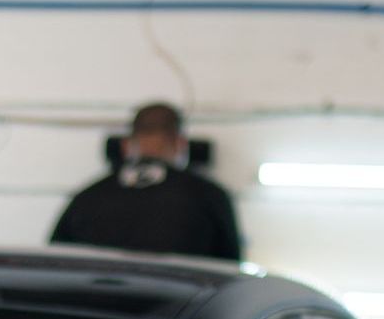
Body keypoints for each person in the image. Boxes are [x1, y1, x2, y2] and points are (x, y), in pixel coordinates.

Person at [50, 102, 242, 262]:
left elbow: (56, 261)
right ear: (181, 144)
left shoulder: (87, 197)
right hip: (182, 305)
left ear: (125, 145)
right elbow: (230, 268)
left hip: (98, 305)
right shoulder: (210, 196)